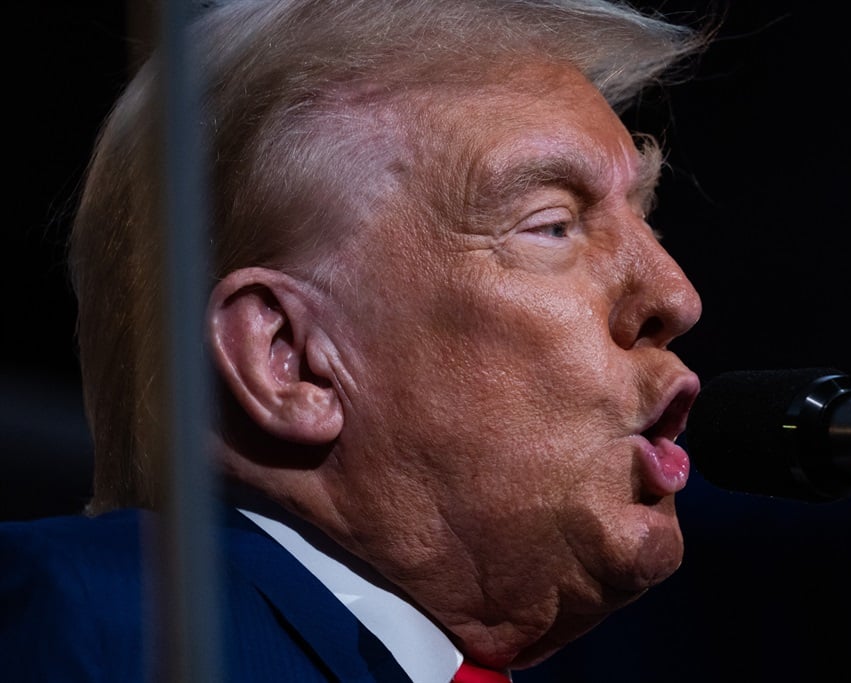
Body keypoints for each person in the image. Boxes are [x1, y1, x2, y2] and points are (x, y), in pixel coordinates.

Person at [0, 1, 711, 680]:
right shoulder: (98, 614)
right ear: (291, 360)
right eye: (553, 224)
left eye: (646, 218)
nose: (675, 295)